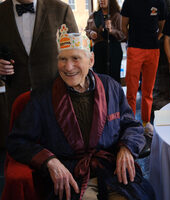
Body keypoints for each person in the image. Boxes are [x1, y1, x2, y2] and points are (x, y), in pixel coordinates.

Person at [7, 24, 155, 200]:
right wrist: (50, 161)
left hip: (111, 170)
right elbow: (18, 141)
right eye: (63, 59)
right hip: (70, 176)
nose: (68, 67)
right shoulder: (42, 97)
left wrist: (126, 148)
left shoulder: (111, 87)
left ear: (91, 60)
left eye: (75, 58)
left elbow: (132, 125)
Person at [0, 0, 78, 148]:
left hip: (55, 100)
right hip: (16, 100)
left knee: (58, 153)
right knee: (22, 153)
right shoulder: (1, 12)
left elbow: (76, 55)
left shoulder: (61, 9)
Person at [121, 0, 167, 133]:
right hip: (135, 49)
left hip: (153, 50)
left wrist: (154, 39)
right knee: (131, 90)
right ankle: (130, 123)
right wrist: (133, 40)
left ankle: (146, 122)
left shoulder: (160, 2)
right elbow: (124, 26)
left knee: (148, 90)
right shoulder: (129, 2)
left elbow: (162, 26)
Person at [85, 0, 125, 83]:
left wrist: (111, 30)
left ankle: (114, 95)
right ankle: (101, 95)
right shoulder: (94, 15)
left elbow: (123, 35)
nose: (101, 0)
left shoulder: (117, 16)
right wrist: (91, 33)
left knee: (113, 78)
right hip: (98, 51)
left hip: (113, 50)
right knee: (99, 78)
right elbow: (87, 29)